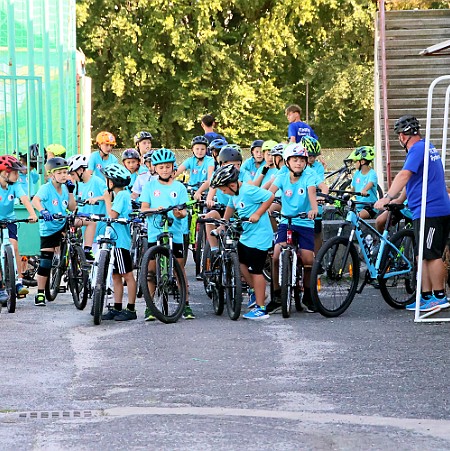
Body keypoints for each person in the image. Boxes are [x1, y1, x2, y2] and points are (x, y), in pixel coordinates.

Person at [374, 115, 450, 312]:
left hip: (431, 210)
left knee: (432, 255)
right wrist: (399, 200)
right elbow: (415, 179)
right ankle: (425, 297)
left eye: (399, 135)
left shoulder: (417, 149)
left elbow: (405, 175)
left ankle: (439, 296)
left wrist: (388, 196)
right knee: (421, 255)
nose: (399, 139)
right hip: (424, 210)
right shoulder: (426, 147)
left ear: (403, 135)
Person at [210, 164, 274, 320]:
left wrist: (258, 213)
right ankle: (258, 293)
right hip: (247, 235)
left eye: (223, 189)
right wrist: (222, 224)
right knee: (241, 264)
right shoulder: (235, 193)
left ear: (232, 185)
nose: (222, 192)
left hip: (259, 236)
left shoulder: (248, 190)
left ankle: (261, 309)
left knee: (256, 271)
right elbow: (231, 206)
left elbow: (269, 197)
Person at [140, 148, 194, 320]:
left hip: (175, 232)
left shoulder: (179, 187)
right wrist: (153, 210)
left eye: (167, 166)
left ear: (173, 167)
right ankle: (150, 307)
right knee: (151, 269)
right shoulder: (149, 186)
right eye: (161, 167)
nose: (164, 169)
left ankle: (185, 305)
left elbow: (184, 210)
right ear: (155, 168)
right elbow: (144, 208)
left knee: (179, 269)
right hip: (155, 231)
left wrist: (180, 213)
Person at [266, 143, 318, 314]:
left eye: (302, 160)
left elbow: (311, 193)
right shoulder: (282, 177)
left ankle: (309, 296)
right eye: (295, 160)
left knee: (308, 259)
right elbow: (269, 193)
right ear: (287, 162)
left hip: (304, 222)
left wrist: (314, 208)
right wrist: (263, 206)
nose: (299, 163)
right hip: (286, 222)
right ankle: (276, 296)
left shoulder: (309, 176)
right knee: (275, 255)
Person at [31, 157, 77, 306]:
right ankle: (40, 293)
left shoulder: (65, 188)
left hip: (62, 223)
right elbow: (35, 200)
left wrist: (71, 192)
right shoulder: (46, 188)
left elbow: (71, 207)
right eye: (60, 173)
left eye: (66, 172)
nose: (64, 175)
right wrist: (43, 211)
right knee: (45, 261)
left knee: (85, 222)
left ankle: (81, 255)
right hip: (49, 227)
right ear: (51, 175)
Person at [100, 164, 137, 321]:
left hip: (120, 242)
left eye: (107, 179)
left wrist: (107, 200)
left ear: (112, 182)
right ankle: (117, 306)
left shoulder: (121, 195)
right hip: (115, 242)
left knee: (126, 274)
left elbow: (112, 215)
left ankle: (131, 308)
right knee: (116, 275)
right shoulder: (121, 195)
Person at [0, 155, 38, 300]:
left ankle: (17, 282)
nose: (18, 175)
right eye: (15, 172)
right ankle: (1, 287)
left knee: (14, 246)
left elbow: (24, 199)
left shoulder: (15, 185)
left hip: (9, 220)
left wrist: (32, 213)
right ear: (5, 173)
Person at [67, 155, 106, 258]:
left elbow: (109, 196)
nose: (72, 177)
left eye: (73, 174)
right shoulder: (77, 184)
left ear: (80, 170)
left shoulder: (97, 181)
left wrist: (97, 198)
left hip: (99, 230)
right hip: (86, 230)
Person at [174, 136, 215, 201]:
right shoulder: (190, 160)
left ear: (206, 150)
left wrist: (199, 192)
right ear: (192, 149)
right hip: (191, 191)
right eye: (197, 149)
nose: (200, 151)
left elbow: (210, 180)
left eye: (202, 149)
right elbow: (177, 172)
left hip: (204, 193)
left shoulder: (210, 160)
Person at [348, 146, 378, 220]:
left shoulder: (372, 173)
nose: (354, 164)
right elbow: (353, 189)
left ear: (362, 162)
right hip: (358, 205)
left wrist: (364, 190)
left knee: (356, 218)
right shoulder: (357, 174)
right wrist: (347, 196)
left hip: (370, 206)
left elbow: (370, 184)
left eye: (355, 161)